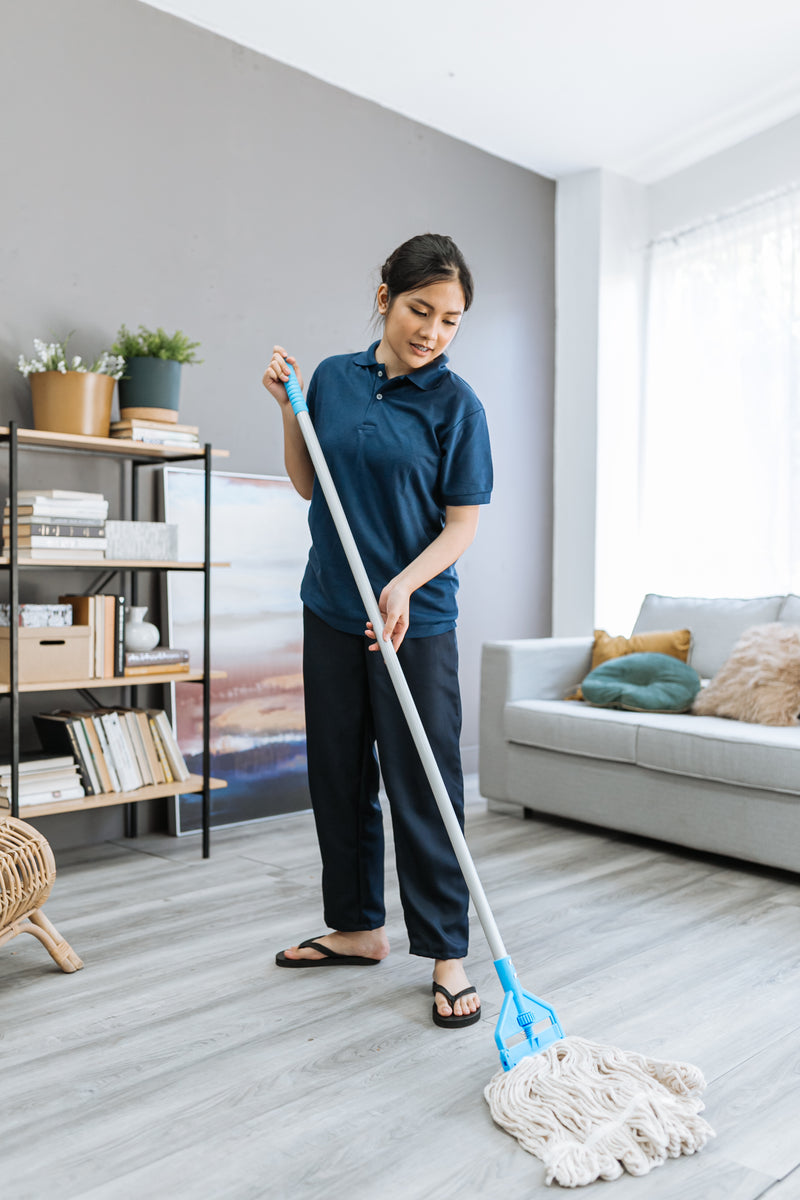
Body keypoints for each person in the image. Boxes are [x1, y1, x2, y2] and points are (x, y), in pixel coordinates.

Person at [262, 233, 493, 1028]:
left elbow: (461, 525)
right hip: (331, 603)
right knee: (338, 770)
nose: (432, 330)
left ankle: (448, 953)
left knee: (423, 783)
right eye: (419, 309)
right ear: (385, 297)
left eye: (450, 319)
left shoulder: (458, 406)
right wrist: (290, 413)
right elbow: (308, 482)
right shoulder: (334, 377)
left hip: (414, 618)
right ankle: (358, 928)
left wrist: (403, 582)